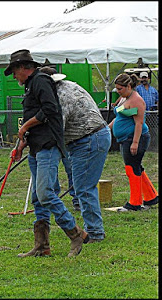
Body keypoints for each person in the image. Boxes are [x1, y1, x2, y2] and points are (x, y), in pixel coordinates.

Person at [4, 50, 88, 258]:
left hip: (48, 146)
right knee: (37, 198)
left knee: (45, 193)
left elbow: (50, 110)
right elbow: (36, 117)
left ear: (24, 67)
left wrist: (26, 126)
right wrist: (22, 144)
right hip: (36, 146)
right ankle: (42, 246)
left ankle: (76, 233)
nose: (14, 76)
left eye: (14, 71)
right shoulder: (31, 85)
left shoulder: (40, 81)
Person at [40, 66, 111, 243]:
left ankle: (95, 232)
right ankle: (94, 228)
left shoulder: (62, 96)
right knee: (83, 186)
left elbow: (58, 126)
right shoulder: (67, 87)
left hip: (88, 139)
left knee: (84, 187)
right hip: (89, 137)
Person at [108, 73, 158, 211]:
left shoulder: (136, 100)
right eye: (117, 89)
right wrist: (107, 129)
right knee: (136, 167)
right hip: (126, 138)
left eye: (120, 89)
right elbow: (119, 117)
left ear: (129, 86)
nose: (118, 91)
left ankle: (135, 203)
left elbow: (139, 123)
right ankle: (151, 196)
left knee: (132, 168)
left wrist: (135, 143)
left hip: (136, 138)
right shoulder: (124, 98)